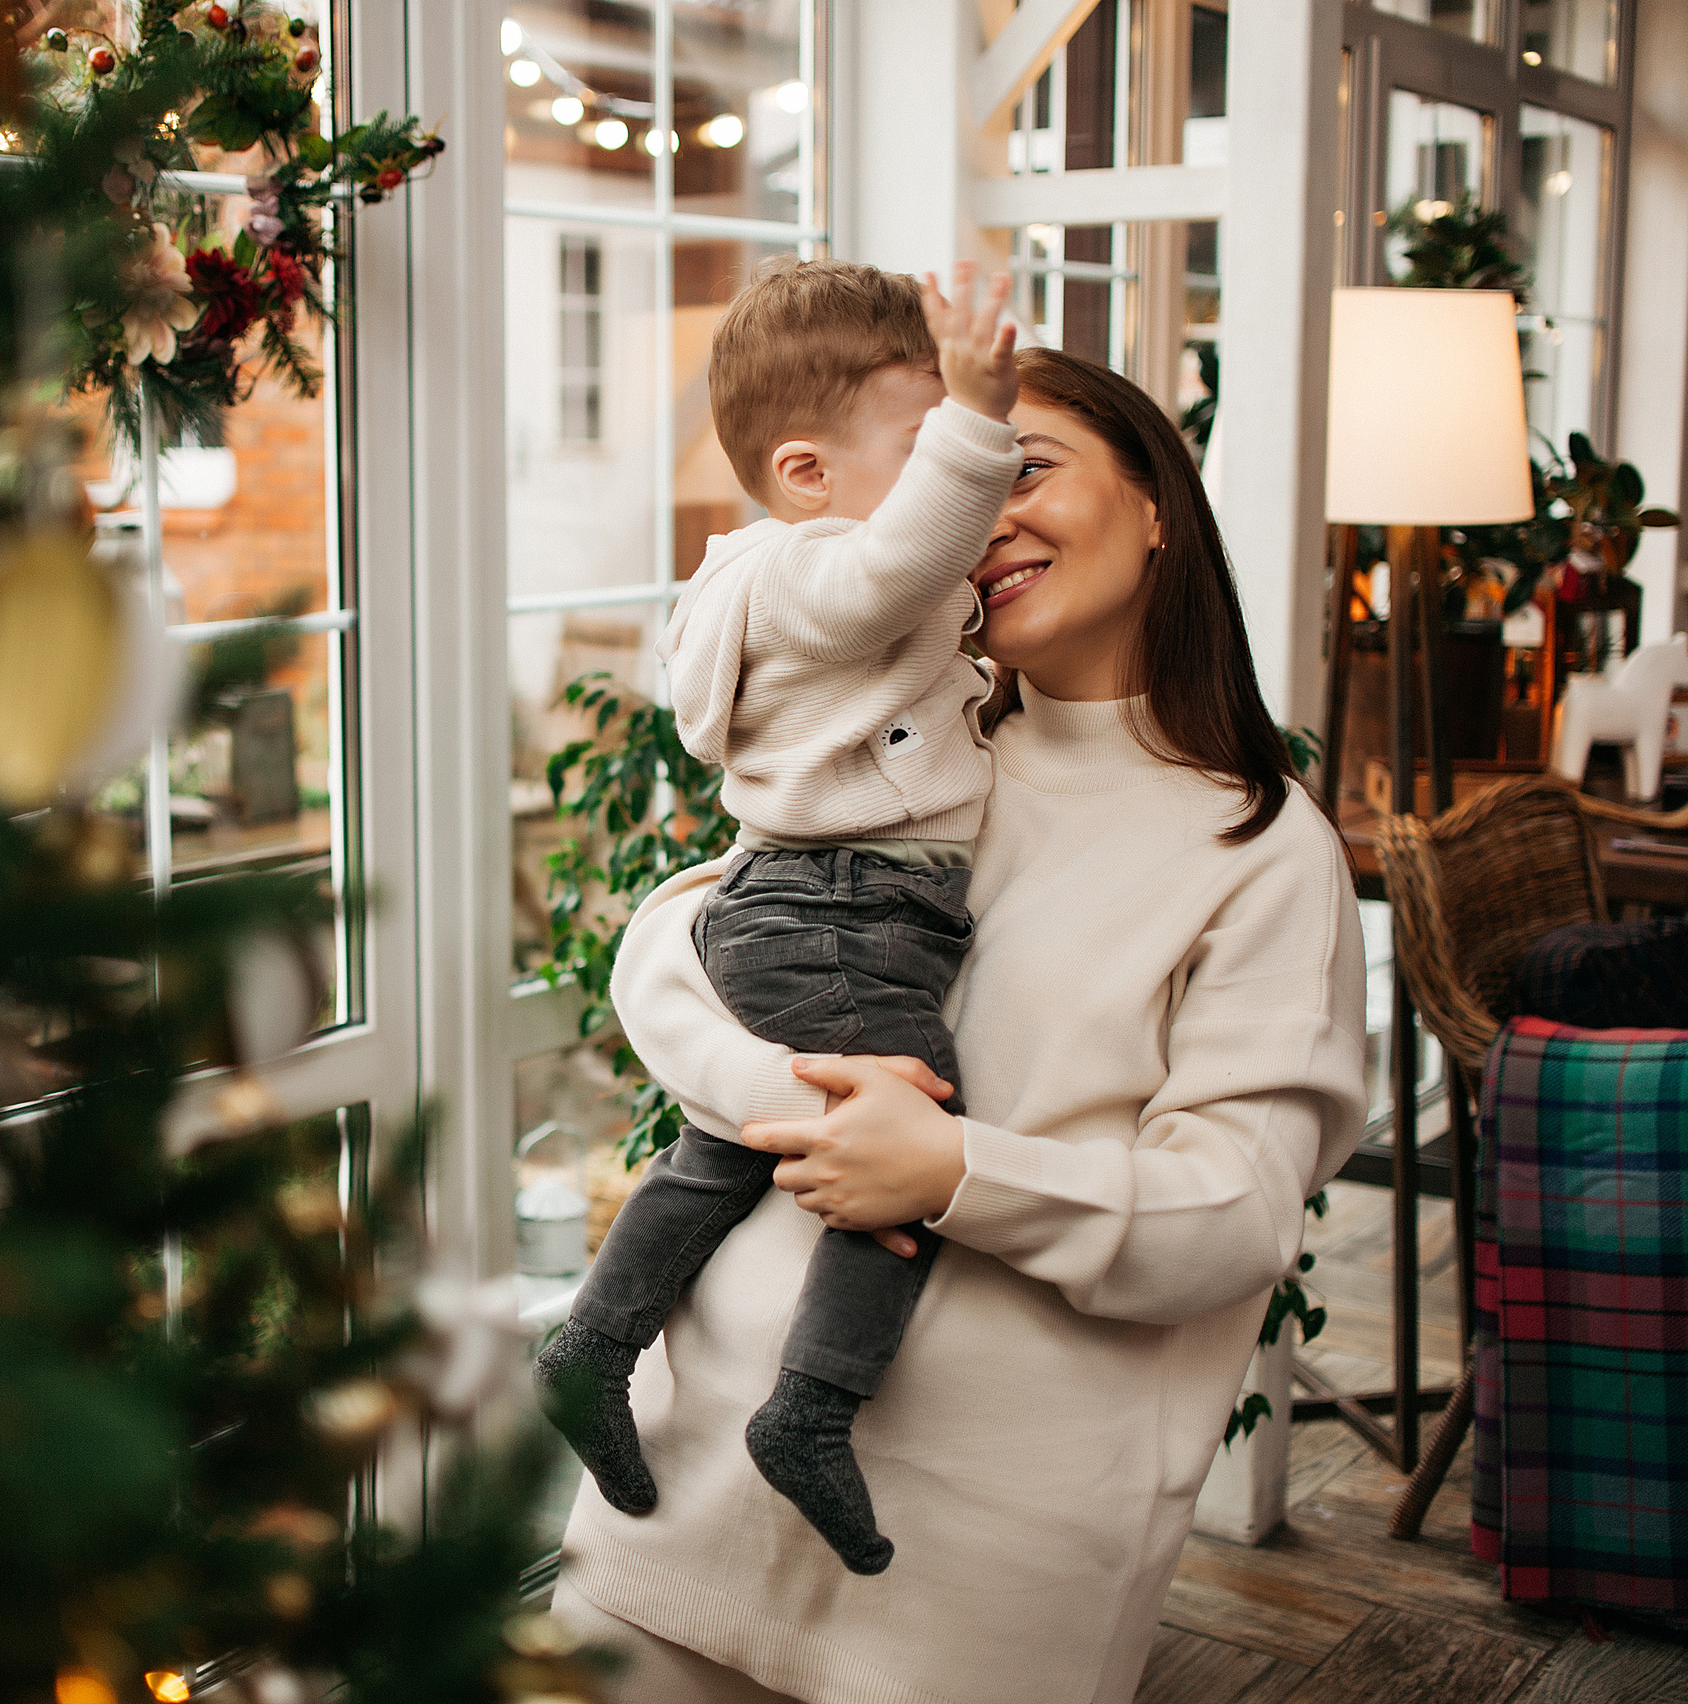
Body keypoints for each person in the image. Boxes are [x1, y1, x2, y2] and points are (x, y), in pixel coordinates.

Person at [549, 344, 1368, 1704]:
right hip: (674, 1504)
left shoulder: (1264, 850)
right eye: (956, 484)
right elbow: (668, 949)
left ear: (1161, 500)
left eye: (1025, 468)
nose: (985, 520)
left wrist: (954, 1175)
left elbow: (1233, 1215)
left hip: (966, 1584)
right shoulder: (917, 757)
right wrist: (799, 1100)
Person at [535, 258, 1028, 1577]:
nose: (970, 480)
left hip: (803, 905)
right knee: (909, 1133)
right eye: (927, 446)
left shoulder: (774, 576)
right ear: (808, 473)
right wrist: (980, 415)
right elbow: (895, 568)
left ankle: (591, 1344)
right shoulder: (814, 572)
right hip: (842, 912)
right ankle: (812, 1409)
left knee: (724, 1146)